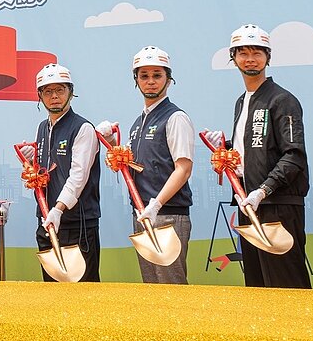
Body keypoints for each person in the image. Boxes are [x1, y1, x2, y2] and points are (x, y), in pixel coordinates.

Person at [203, 24, 310, 289]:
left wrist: (263, 190)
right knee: (257, 283)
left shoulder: (282, 100)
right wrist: (226, 146)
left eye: (257, 53)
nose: (250, 59)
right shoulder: (242, 101)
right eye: (243, 53)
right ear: (234, 58)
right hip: (247, 203)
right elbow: (254, 148)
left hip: (278, 205)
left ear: (268, 57)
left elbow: (293, 155)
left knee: (286, 283)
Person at [97, 45, 194, 284]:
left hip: (168, 215)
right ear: (136, 80)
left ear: (169, 79)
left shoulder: (175, 118)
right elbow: (136, 168)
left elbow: (183, 168)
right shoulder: (138, 123)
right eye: (144, 76)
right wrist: (111, 143)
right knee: (152, 288)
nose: (150, 81)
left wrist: (157, 204)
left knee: (172, 286)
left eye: (157, 75)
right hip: (142, 215)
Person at [24, 63, 101, 282]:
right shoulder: (42, 128)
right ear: (39, 95)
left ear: (71, 92)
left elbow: (78, 176)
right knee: (53, 295)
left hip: (77, 225)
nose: (54, 96)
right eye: (48, 91)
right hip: (47, 224)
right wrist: (31, 163)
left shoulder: (83, 129)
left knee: (83, 294)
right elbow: (46, 172)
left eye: (60, 90)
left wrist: (58, 209)